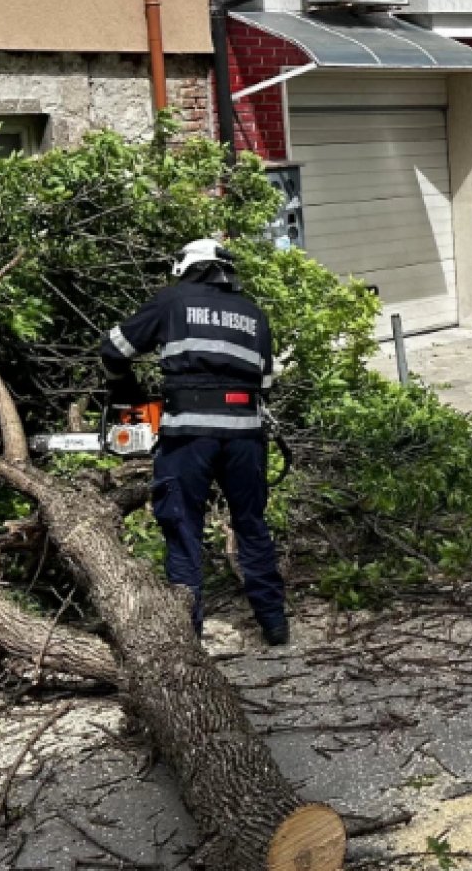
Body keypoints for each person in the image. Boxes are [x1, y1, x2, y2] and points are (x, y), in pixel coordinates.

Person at [100, 239, 289, 645]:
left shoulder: (172, 301)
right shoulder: (255, 315)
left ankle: (188, 633)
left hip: (188, 434)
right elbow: (266, 383)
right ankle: (274, 624)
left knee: (183, 525)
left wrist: (127, 392)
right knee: (251, 524)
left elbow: (113, 347)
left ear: (189, 267)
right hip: (246, 435)